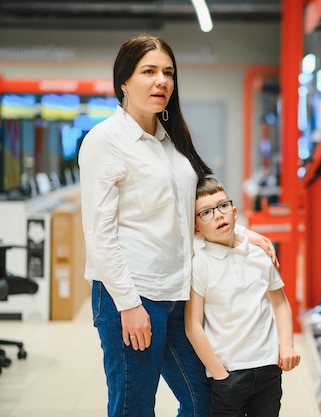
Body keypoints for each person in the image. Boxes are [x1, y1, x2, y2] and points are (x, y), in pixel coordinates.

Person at [79, 34, 277, 417]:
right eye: (149, 71)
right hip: (133, 295)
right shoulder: (105, 141)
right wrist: (129, 304)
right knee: (134, 405)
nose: (162, 82)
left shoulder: (169, 141)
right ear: (123, 81)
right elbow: (99, 234)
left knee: (204, 400)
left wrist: (239, 234)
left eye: (168, 73)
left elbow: (186, 213)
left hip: (178, 294)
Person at [185, 177, 301, 417]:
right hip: (229, 373)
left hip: (268, 367)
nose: (218, 215)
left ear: (235, 211)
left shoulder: (259, 255)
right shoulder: (200, 265)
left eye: (222, 206)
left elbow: (280, 303)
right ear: (196, 229)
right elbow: (193, 325)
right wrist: (218, 373)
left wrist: (286, 345)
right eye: (205, 212)